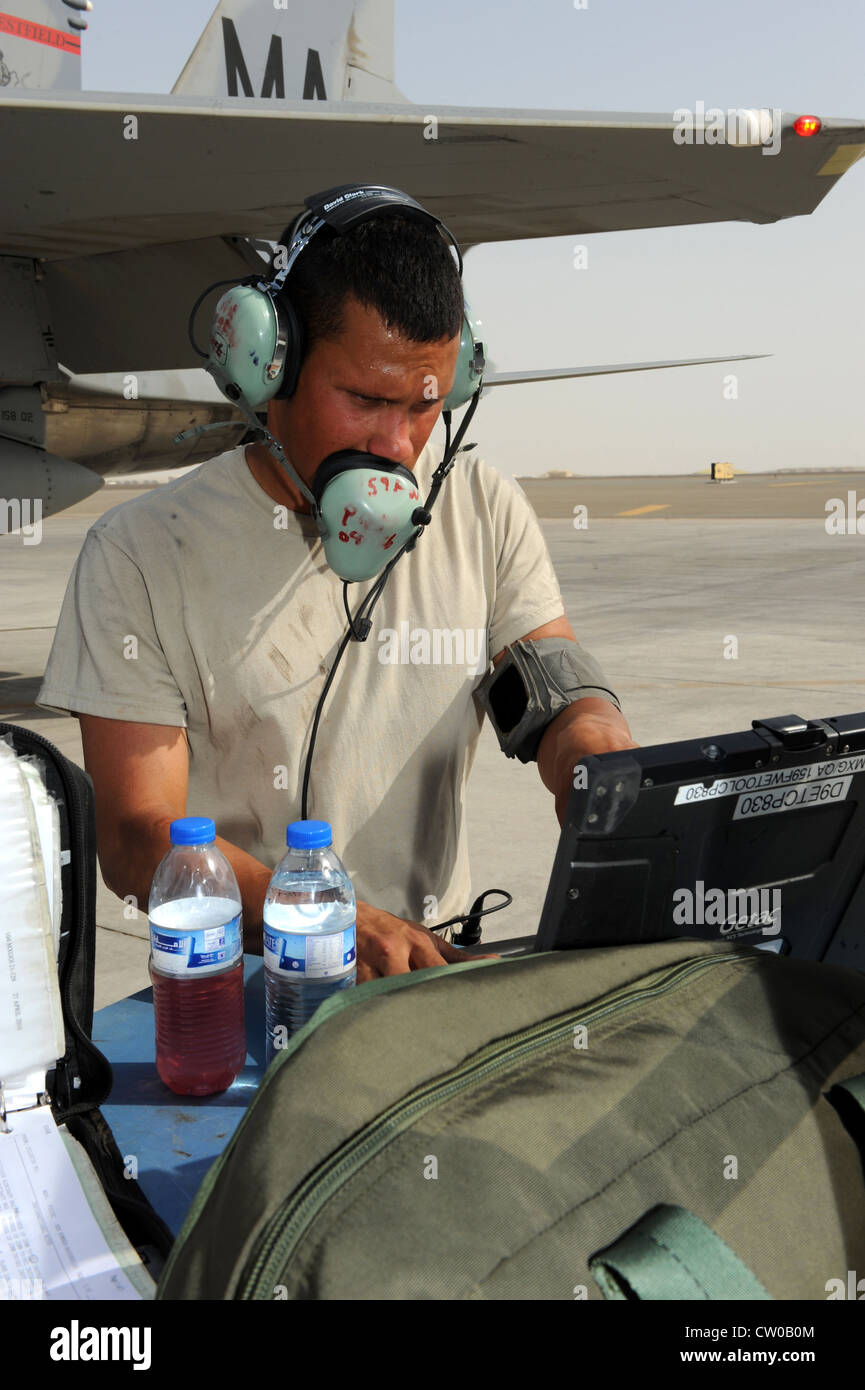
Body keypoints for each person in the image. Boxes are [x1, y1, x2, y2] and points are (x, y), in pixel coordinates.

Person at [37, 187, 636, 981]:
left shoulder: (479, 501)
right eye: (364, 400)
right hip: (236, 981)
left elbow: (551, 685)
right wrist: (318, 919)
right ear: (267, 364)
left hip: (425, 968)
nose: (396, 445)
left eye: (424, 405)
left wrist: (603, 764)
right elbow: (136, 836)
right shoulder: (139, 552)